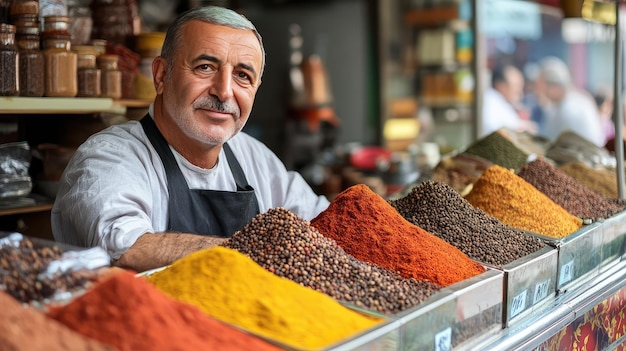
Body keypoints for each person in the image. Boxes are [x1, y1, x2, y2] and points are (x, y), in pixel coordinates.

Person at [51, 6, 330, 273]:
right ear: (161, 76)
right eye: (205, 67)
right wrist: (256, 252)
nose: (224, 92)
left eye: (242, 76)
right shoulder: (109, 157)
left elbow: (327, 227)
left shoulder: (254, 157)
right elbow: (126, 250)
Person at [533, 56, 605, 147]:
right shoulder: (562, 104)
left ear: (553, 87)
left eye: (540, 87)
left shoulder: (571, 108)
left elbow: (554, 143)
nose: (538, 92)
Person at [481, 63, 537, 137]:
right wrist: (520, 128)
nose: (520, 93)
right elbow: (492, 128)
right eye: (517, 86)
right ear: (500, 86)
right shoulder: (490, 100)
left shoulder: (500, 102)